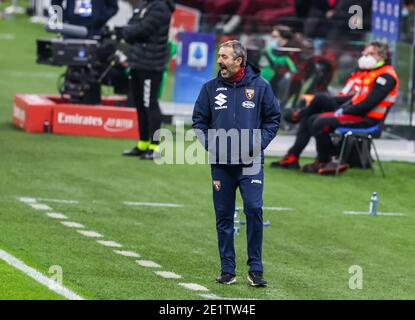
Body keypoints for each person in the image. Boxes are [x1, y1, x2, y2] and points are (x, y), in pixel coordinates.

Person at [192, 40, 280, 287]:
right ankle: (228, 270)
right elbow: (199, 121)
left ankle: (256, 269)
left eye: (224, 57)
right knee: (223, 216)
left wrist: (258, 143)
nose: (219, 61)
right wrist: (211, 144)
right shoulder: (210, 88)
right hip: (221, 163)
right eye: (219, 56)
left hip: (251, 162)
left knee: (253, 209)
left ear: (238, 61)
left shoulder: (261, 87)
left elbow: (273, 119)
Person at [275, 42, 399, 175]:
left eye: (371, 54)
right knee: (317, 107)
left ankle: (329, 158)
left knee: (318, 120)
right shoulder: (370, 73)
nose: (365, 57)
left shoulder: (385, 76)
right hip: (356, 113)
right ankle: (318, 157)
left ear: (383, 56)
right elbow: (354, 98)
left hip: (368, 119)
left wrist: (343, 111)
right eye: (364, 54)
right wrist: (336, 104)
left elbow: (368, 104)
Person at [271, 67, 367, 169]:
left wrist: (332, 99)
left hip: (348, 111)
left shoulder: (373, 77)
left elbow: (356, 99)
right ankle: (295, 155)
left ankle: (294, 154)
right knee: (310, 116)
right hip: (342, 106)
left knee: (319, 99)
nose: (365, 56)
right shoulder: (358, 75)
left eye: (369, 53)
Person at [122, 0, 175, 160]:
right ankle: (143, 143)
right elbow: (132, 25)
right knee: (139, 104)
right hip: (138, 61)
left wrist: (130, 31)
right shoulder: (147, 4)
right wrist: (130, 30)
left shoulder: (160, 7)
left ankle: (155, 146)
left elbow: (141, 30)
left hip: (150, 65)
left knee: (149, 104)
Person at [51, 0, 119, 37]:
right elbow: (55, 3)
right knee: (71, 58)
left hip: (95, 30)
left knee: (93, 60)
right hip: (72, 29)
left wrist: (101, 18)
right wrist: (65, 17)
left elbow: (113, 7)